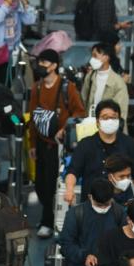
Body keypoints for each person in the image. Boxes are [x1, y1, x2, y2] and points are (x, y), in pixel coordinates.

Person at [28, 49, 85, 237]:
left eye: (44, 63)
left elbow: (79, 112)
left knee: (53, 183)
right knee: (41, 184)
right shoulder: (36, 88)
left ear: (54, 66)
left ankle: (48, 221)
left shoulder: (67, 88)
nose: (41, 66)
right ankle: (47, 216)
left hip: (59, 146)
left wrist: (65, 128)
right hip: (42, 144)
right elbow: (33, 119)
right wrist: (33, 145)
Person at [64, 100, 134, 206]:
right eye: (105, 117)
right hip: (90, 205)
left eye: (114, 117)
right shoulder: (85, 145)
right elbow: (73, 172)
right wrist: (70, 189)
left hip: (121, 206)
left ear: (119, 121)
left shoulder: (130, 144)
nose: (110, 121)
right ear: (97, 122)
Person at [0, 0, 37, 85]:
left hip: (12, 49)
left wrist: (26, 4)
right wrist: (7, 3)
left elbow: (30, 20)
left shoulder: (16, 4)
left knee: (8, 81)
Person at [81, 43, 129, 119]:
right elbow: (83, 100)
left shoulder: (118, 82)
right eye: (92, 56)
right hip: (91, 124)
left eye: (95, 56)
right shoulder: (90, 76)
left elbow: (121, 110)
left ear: (106, 57)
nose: (92, 59)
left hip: (109, 125)